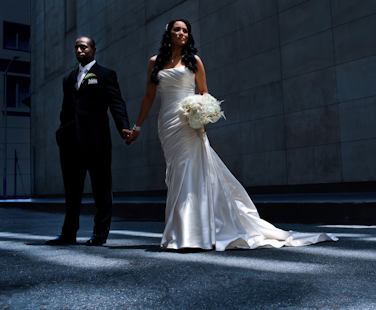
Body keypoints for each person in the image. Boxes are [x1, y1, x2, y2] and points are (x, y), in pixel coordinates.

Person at [127, 20, 337, 251]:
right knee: (176, 173)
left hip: (189, 123)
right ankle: (183, 231)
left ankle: (191, 234)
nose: (181, 33)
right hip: (167, 124)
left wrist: (201, 116)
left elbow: (205, 93)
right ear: (168, 33)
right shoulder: (154, 63)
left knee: (191, 171)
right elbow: (148, 95)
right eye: (177, 29)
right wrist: (137, 127)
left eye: (185, 30)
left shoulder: (194, 61)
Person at [46, 37, 130, 246]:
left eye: (83, 46)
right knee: (72, 191)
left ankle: (100, 234)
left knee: (101, 190)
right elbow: (66, 109)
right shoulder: (68, 79)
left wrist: (123, 127)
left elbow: (116, 104)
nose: (79, 50)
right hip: (71, 143)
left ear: (94, 49)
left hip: (96, 142)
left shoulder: (105, 75)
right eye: (76, 47)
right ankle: (68, 233)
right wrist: (61, 133)